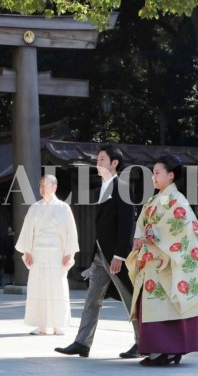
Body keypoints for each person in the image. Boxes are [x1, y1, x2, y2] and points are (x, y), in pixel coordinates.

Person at [126, 154, 198, 366]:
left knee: (169, 302)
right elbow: (142, 223)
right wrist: (140, 237)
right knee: (157, 304)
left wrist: (153, 233)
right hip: (153, 259)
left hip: (167, 259)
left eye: (157, 173)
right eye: (152, 173)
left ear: (171, 175)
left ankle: (166, 350)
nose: (153, 177)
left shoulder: (178, 200)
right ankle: (161, 350)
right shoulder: (154, 199)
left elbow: (187, 227)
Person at [55, 145, 136, 358]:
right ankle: (82, 342)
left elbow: (127, 224)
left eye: (102, 159)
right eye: (98, 159)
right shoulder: (102, 188)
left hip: (116, 257)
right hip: (100, 256)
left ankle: (143, 342)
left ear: (114, 163)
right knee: (92, 298)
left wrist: (120, 255)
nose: (98, 162)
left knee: (130, 298)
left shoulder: (122, 186)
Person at [16, 174, 79, 336]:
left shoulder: (63, 208)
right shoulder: (34, 208)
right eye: (40, 186)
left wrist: (69, 253)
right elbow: (28, 231)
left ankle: (59, 324)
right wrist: (27, 251)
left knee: (58, 288)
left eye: (46, 185)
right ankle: (42, 325)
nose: (42, 189)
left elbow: (70, 232)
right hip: (38, 254)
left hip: (57, 254)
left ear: (54, 187)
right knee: (39, 288)